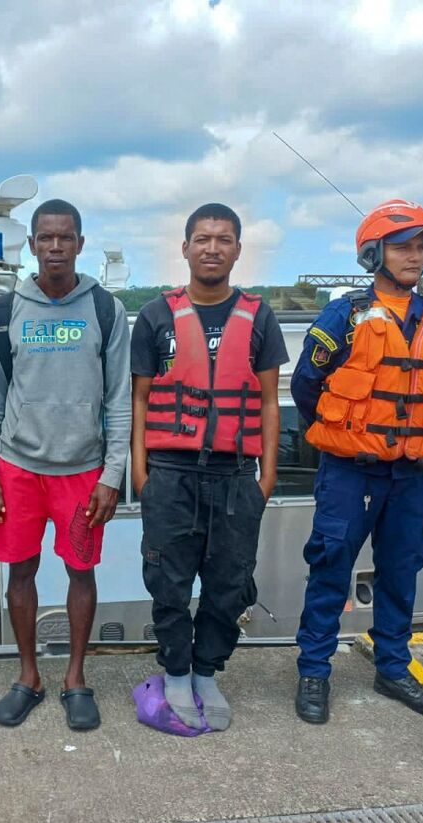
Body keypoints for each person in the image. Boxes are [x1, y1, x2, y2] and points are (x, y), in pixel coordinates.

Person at [290, 199, 423, 724]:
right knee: (330, 567)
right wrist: (343, 435)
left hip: (414, 474)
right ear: (375, 253)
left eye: (420, 247)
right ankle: (314, 673)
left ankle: (393, 668)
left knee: (401, 571)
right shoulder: (344, 315)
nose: (414, 256)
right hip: (351, 471)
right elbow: (307, 385)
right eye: (402, 246)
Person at [130, 203, 287, 731]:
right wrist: (140, 472)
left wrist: (267, 477)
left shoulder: (259, 317)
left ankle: (206, 671)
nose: (212, 248)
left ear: (238, 249)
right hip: (170, 474)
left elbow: (269, 401)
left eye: (223, 239)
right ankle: (175, 672)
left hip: (237, 476)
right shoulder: (155, 316)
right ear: (185, 248)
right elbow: (140, 400)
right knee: (168, 584)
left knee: (228, 584)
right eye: (202, 238)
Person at [0, 199, 131, 731]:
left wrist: (114, 474)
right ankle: (28, 676)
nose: (56, 247)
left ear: (80, 244)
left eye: (66, 237)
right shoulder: (7, 311)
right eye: (46, 238)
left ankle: (75, 678)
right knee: (20, 570)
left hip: (83, 470)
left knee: (80, 571)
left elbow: (119, 401)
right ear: (33, 246)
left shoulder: (105, 310)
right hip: (18, 468)